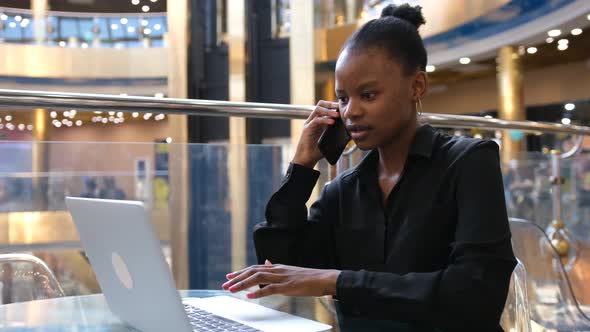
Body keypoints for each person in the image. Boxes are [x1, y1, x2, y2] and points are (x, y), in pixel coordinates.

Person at [223, 4, 516, 331]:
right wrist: (302, 166)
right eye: (343, 98)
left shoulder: (469, 161)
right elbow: (278, 267)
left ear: (417, 86)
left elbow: (477, 293)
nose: (351, 112)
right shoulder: (345, 190)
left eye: (368, 95)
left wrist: (337, 282)